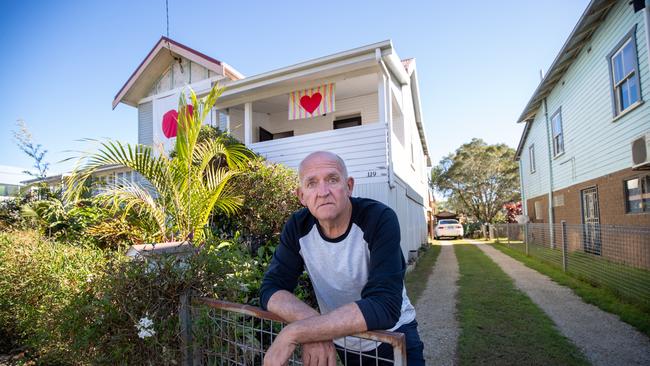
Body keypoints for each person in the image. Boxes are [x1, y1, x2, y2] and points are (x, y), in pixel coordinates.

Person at [260, 151, 425, 366]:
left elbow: (385, 305)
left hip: (394, 338)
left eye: (332, 179)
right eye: (312, 183)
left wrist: (297, 332)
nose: (323, 192)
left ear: (349, 186)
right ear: (302, 196)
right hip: (343, 342)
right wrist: (316, 330)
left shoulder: (379, 219)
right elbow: (271, 289)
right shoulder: (297, 227)